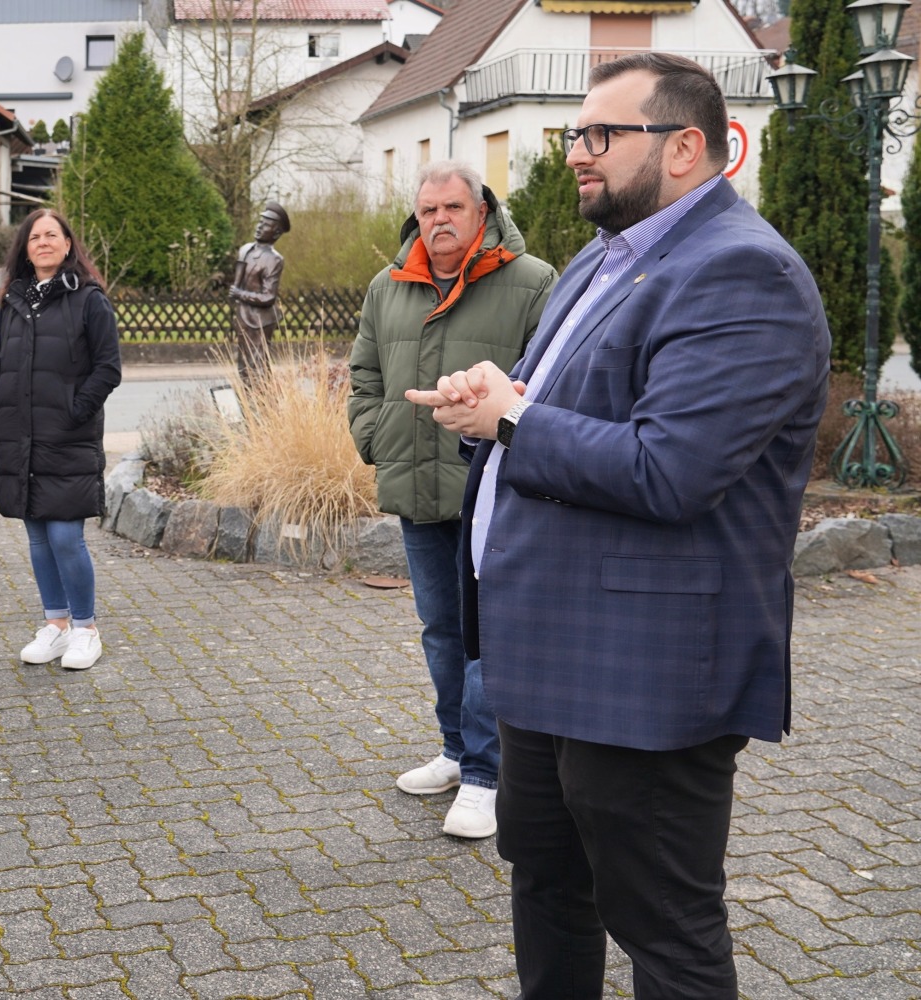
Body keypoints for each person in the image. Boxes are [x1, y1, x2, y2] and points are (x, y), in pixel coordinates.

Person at [406, 54, 830, 997]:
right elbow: (567, 403)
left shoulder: (742, 272)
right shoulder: (609, 257)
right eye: (574, 136)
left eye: (601, 136)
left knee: (664, 933)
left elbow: (668, 468)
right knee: (549, 892)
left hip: (646, 672)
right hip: (548, 656)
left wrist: (509, 421)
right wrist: (500, 392)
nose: (576, 156)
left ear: (684, 147)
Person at [348, 159, 557, 840]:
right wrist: (372, 436)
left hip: (493, 491)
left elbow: (549, 383)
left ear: (481, 212)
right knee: (440, 630)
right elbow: (364, 375)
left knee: (485, 638)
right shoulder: (388, 287)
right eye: (428, 210)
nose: (438, 220)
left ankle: (485, 776)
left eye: (452, 209)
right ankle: (453, 749)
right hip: (416, 487)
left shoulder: (529, 282)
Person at [0, 209, 122, 672]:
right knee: (38, 536)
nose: (43, 242)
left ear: (68, 245)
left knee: (66, 535)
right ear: (25, 248)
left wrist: (75, 412)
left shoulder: (89, 299)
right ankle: (56, 626)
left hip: (68, 435)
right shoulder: (14, 300)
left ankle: (86, 629)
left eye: (52, 235)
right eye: (34, 237)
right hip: (20, 435)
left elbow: (108, 368)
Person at [228, 201, 290, 381]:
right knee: (243, 367)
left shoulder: (274, 259)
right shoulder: (245, 249)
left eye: (265, 225)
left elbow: (268, 296)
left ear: (276, 233)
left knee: (258, 368)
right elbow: (238, 279)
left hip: (260, 321)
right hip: (243, 317)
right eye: (259, 222)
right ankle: (246, 404)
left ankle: (264, 404)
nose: (259, 227)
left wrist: (240, 294)